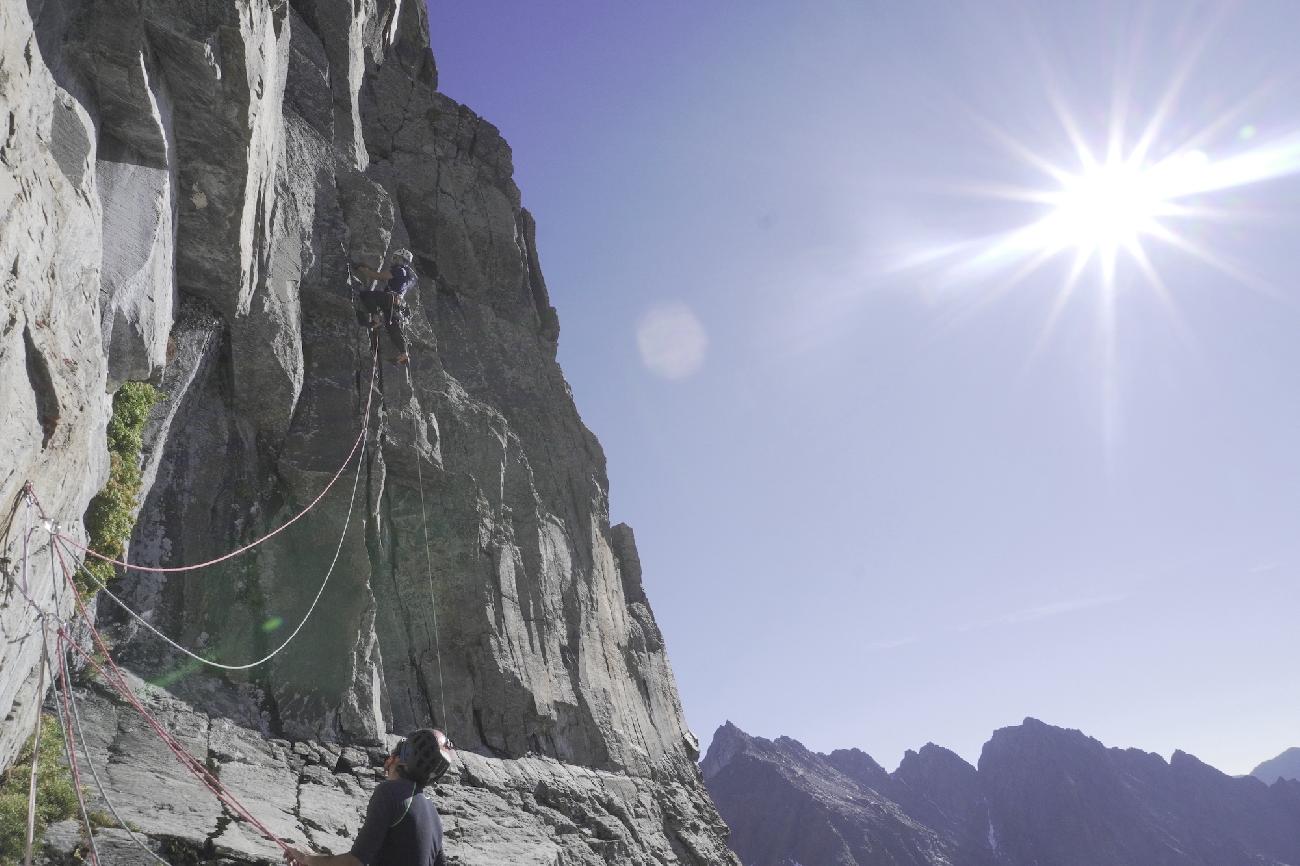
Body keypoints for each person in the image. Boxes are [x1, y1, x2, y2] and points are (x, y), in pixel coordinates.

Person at [285, 729, 453, 866]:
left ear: (403, 757)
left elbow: (354, 862)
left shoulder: (389, 792)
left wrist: (306, 859)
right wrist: (314, 858)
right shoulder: (433, 814)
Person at [352, 249, 419, 365]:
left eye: (396, 258)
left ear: (403, 260)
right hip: (396, 303)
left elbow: (379, 276)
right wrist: (369, 268)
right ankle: (404, 353)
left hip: (390, 299)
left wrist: (362, 269)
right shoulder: (406, 273)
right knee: (392, 327)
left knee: (367, 295)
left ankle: (375, 319)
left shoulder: (400, 270)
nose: (393, 260)